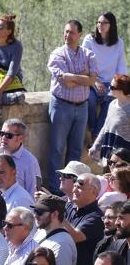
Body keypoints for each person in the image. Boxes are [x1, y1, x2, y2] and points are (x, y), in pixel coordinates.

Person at [47, 20, 98, 194]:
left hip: (82, 107)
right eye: (66, 32)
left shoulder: (88, 54)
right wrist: (83, 76)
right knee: (56, 148)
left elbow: (92, 80)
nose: (68, 35)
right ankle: (55, 190)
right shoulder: (58, 54)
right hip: (62, 105)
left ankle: (71, 189)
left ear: (80, 35)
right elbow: (65, 81)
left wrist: (75, 77)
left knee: (75, 150)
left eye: (72, 33)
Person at [82, 12, 127, 141]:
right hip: (93, 80)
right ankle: (94, 131)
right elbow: (84, 63)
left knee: (110, 100)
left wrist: (116, 84)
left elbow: (121, 66)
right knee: (89, 100)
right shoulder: (89, 40)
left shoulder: (119, 43)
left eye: (104, 23)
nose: (100, 25)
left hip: (110, 82)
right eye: (98, 22)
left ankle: (96, 135)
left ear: (111, 25)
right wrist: (95, 81)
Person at [63, 173, 104, 265]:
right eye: (74, 186)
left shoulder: (96, 216)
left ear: (93, 191)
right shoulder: (69, 206)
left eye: (79, 187)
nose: (74, 190)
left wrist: (57, 216)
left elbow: (75, 236)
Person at [89, 74, 130, 161]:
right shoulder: (112, 104)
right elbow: (105, 127)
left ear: (121, 90)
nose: (109, 89)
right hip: (109, 153)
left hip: (125, 157)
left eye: (112, 87)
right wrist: (95, 146)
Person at [31, 194, 77, 265]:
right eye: (35, 211)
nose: (35, 215)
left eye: (40, 212)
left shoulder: (62, 245)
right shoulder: (41, 231)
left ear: (55, 214)